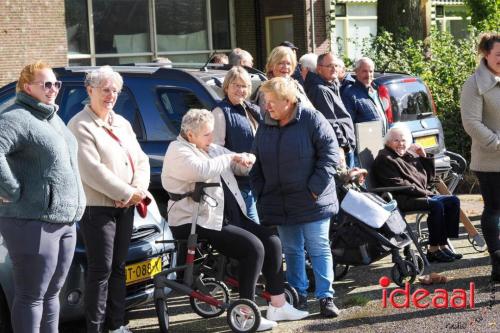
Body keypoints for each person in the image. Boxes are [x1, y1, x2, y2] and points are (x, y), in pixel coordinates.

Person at [161, 109, 308, 331]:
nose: (211, 138)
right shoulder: (178, 151)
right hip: (196, 221)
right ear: (190, 135)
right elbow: (202, 170)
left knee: (272, 240)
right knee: (253, 248)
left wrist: (245, 160)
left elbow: (233, 162)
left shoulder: (209, 148)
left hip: (227, 214)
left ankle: (278, 303)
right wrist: (229, 157)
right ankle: (246, 313)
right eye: (207, 134)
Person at [0, 61, 86, 333]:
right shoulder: (14, 117)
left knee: (52, 295)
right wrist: (10, 189)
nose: (53, 89)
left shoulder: (52, 117)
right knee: (31, 296)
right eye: (46, 84)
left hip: (65, 220)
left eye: (56, 84)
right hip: (32, 220)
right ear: (27, 87)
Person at [68, 66, 151, 333]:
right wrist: (127, 194)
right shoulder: (80, 125)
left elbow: (141, 160)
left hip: (125, 208)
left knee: (118, 268)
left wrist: (137, 189)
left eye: (115, 90)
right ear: (90, 90)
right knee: (100, 271)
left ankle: (116, 325)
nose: (111, 95)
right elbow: (92, 171)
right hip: (98, 209)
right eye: (105, 89)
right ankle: (96, 328)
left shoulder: (122, 123)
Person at [250, 77, 341, 317]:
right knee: (291, 250)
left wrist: (314, 188)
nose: (266, 106)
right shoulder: (265, 125)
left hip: (312, 199)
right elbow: (255, 161)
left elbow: (330, 155)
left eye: (271, 101)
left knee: (318, 248)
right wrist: (261, 190)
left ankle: (326, 297)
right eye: (265, 101)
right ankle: (298, 297)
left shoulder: (311, 119)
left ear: (288, 101)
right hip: (279, 201)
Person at [372, 126, 461, 263]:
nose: (401, 143)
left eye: (403, 140)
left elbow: (429, 179)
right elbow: (398, 185)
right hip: (400, 198)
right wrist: (427, 193)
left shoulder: (408, 154)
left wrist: (424, 157)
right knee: (436, 205)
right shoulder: (385, 158)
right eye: (396, 140)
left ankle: (442, 246)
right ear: (388, 142)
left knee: (452, 201)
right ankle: (433, 250)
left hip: (417, 194)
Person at [461, 32, 500, 282]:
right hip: (491, 160)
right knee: (495, 209)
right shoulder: (474, 84)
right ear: (485, 54)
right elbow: (471, 123)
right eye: (498, 55)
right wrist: (498, 143)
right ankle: (497, 262)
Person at [212, 66, 262, 223]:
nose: (241, 90)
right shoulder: (220, 112)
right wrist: (239, 162)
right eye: (236, 85)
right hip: (238, 183)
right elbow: (215, 149)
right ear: (226, 87)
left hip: (256, 180)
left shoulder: (251, 110)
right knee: (253, 228)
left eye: (245, 86)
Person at [305, 52, 356, 168]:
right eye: (329, 66)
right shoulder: (320, 90)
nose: (334, 69)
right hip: (338, 150)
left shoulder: (332, 86)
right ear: (319, 69)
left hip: (345, 148)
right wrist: (342, 146)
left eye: (336, 66)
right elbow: (330, 122)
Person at [253, 46, 314, 115]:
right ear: (271, 66)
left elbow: (311, 110)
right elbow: (268, 119)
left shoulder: (296, 85)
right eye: (280, 63)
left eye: (288, 63)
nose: (285, 67)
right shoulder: (267, 89)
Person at [341, 57, 387, 130]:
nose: (368, 75)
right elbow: (347, 126)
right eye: (364, 71)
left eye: (371, 71)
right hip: (365, 140)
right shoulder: (350, 94)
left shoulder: (375, 90)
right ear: (356, 71)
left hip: (380, 139)